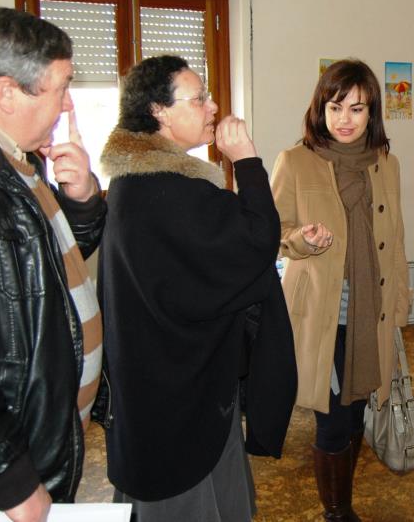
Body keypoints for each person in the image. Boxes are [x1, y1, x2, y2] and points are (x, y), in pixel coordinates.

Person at [97, 55, 296, 522]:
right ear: (159, 112)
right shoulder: (170, 192)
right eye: (199, 98)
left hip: (157, 383)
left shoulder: (133, 182)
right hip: (180, 395)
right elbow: (257, 241)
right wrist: (246, 160)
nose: (213, 107)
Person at [0, 7, 105, 521]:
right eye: (62, 86)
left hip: (28, 447)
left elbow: (38, 268)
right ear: (7, 92)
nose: (68, 102)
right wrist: (11, 481)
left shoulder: (8, 153)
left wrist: (81, 200)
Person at [270, 58, 412, 521]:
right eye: (335, 108)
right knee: (332, 419)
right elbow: (272, 233)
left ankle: (341, 498)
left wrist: (401, 306)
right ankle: (337, 511)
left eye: (356, 109)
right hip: (321, 315)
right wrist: (302, 240)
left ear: (372, 112)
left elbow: (396, 239)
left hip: (372, 312)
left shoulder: (386, 164)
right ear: (320, 109)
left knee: (355, 414)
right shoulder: (295, 162)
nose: (344, 120)